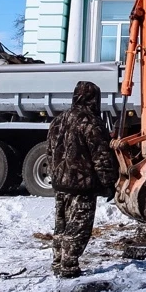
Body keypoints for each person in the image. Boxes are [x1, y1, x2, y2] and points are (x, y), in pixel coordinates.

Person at [47, 80, 117, 278]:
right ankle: (69, 266)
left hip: (60, 184)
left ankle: (58, 261)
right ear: (94, 99)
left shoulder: (58, 120)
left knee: (61, 224)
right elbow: (101, 156)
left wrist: (55, 175)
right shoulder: (91, 122)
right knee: (78, 227)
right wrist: (108, 182)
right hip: (82, 185)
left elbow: (49, 152)